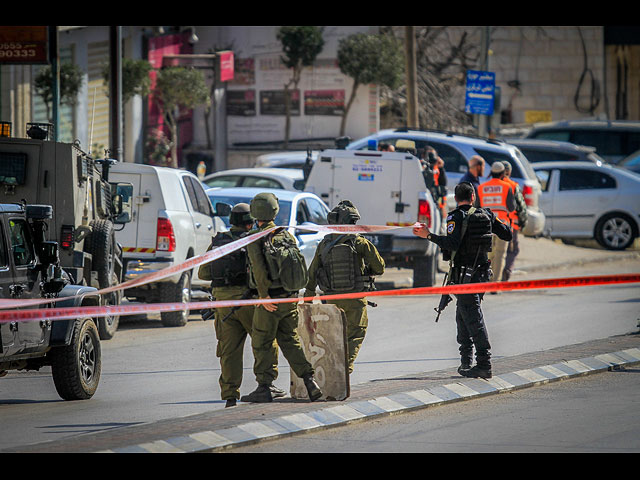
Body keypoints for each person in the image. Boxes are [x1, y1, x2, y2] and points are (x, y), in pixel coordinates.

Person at [413, 182, 512, 379]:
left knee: (472, 318)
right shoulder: (487, 214)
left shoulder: (455, 217)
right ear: (473, 196)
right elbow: (507, 234)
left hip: (464, 277)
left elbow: (452, 243)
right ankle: (466, 361)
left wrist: (429, 235)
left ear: (456, 198)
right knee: (463, 315)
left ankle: (484, 363)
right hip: (481, 275)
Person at [240, 192, 322, 403]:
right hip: (290, 298)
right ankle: (309, 380)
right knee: (290, 341)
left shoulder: (256, 237)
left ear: (255, 212)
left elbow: (258, 270)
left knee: (262, 342)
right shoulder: (285, 234)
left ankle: (264, 386)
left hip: (271, 300)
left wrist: (264, 296)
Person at [303, 200, 385, 374]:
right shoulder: (360, 242)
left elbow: (312, 275)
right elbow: (380, 268)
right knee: (355, 333)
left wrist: (308, 301)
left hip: (330, 300)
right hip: (355, 299)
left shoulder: (324, 245)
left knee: (332, 336)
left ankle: (331, 367)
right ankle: (345, 368)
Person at [198, 203, 255, 408]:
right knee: (263, 345)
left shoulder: (219, 241)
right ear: (250, 223)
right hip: (249, 301)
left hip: (223, 305)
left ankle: (230, 396)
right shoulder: (253, 239)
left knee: (229, 351)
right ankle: (265, 386)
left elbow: (203, 273)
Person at [477, 162, 516, 286]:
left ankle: (486, 280)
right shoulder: (507, 187)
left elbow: (477, 207)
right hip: (501, 225)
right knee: (500, 254)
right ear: (503, 173)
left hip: (485, 225)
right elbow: (511, 208)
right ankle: (495, 284)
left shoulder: (481, 187)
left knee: (488, 253)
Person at [500, 161, 528, 281]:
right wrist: (523, 222)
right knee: (512, 250)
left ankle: (492, 274)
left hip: (494, 224)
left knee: (496, 251)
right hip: (511, 224)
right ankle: (506, 270)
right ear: (509, 172)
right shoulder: (512, 185)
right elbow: (521, 207)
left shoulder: (490, 185)